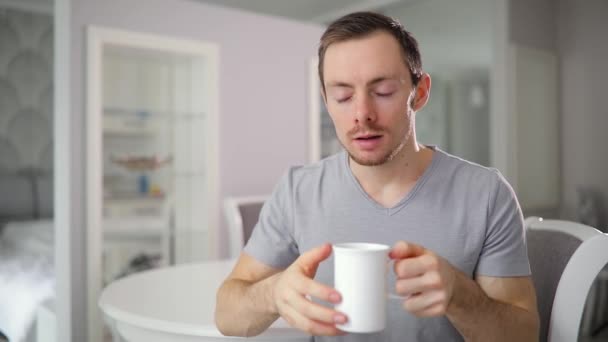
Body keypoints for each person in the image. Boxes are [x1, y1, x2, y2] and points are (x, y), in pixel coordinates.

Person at [215, 11, 539, 342]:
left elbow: (524, 335)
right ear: (326, 101)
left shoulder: (486, 195)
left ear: (420, 92)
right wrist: (272, 294)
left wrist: (460, 296)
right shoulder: (298, 190)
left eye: (383, 91)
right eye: (342, 96)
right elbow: (227, 315)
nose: (361, 114)